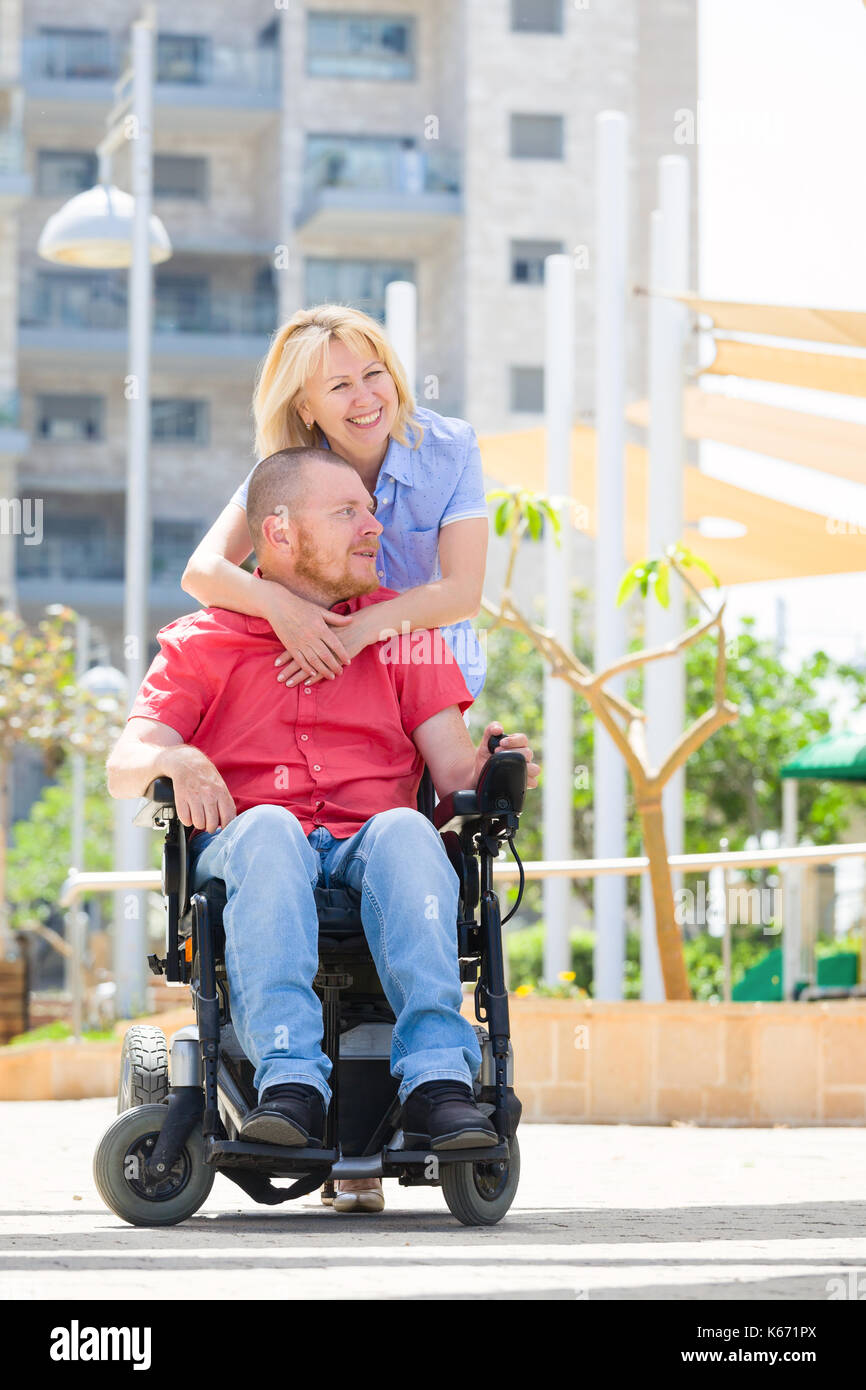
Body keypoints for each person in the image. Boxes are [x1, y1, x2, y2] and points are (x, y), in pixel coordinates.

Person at [107, 448, 539, 1217]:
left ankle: (440, 1081)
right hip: (254, 848)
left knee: (408, 828)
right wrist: (176, 755)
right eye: (348, 513)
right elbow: (124, 766)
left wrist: (495, 771)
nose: (375, 527)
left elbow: (454, 782)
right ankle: (290, 1082)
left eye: (370, 511)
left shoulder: (403, 639)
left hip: (370, 849)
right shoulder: (204, 642)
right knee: (270, 824)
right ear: (277, 532)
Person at [180, 303, 489, 703]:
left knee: (469, 765)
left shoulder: (452, 448)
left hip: (434, 688)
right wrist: (283, 608)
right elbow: (201, 572)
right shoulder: (287, 469)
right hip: (328, 684)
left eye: (374, 375)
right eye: (340, 386)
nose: (365, 398)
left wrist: (358, 630)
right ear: (306, 408)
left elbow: (463, 594)